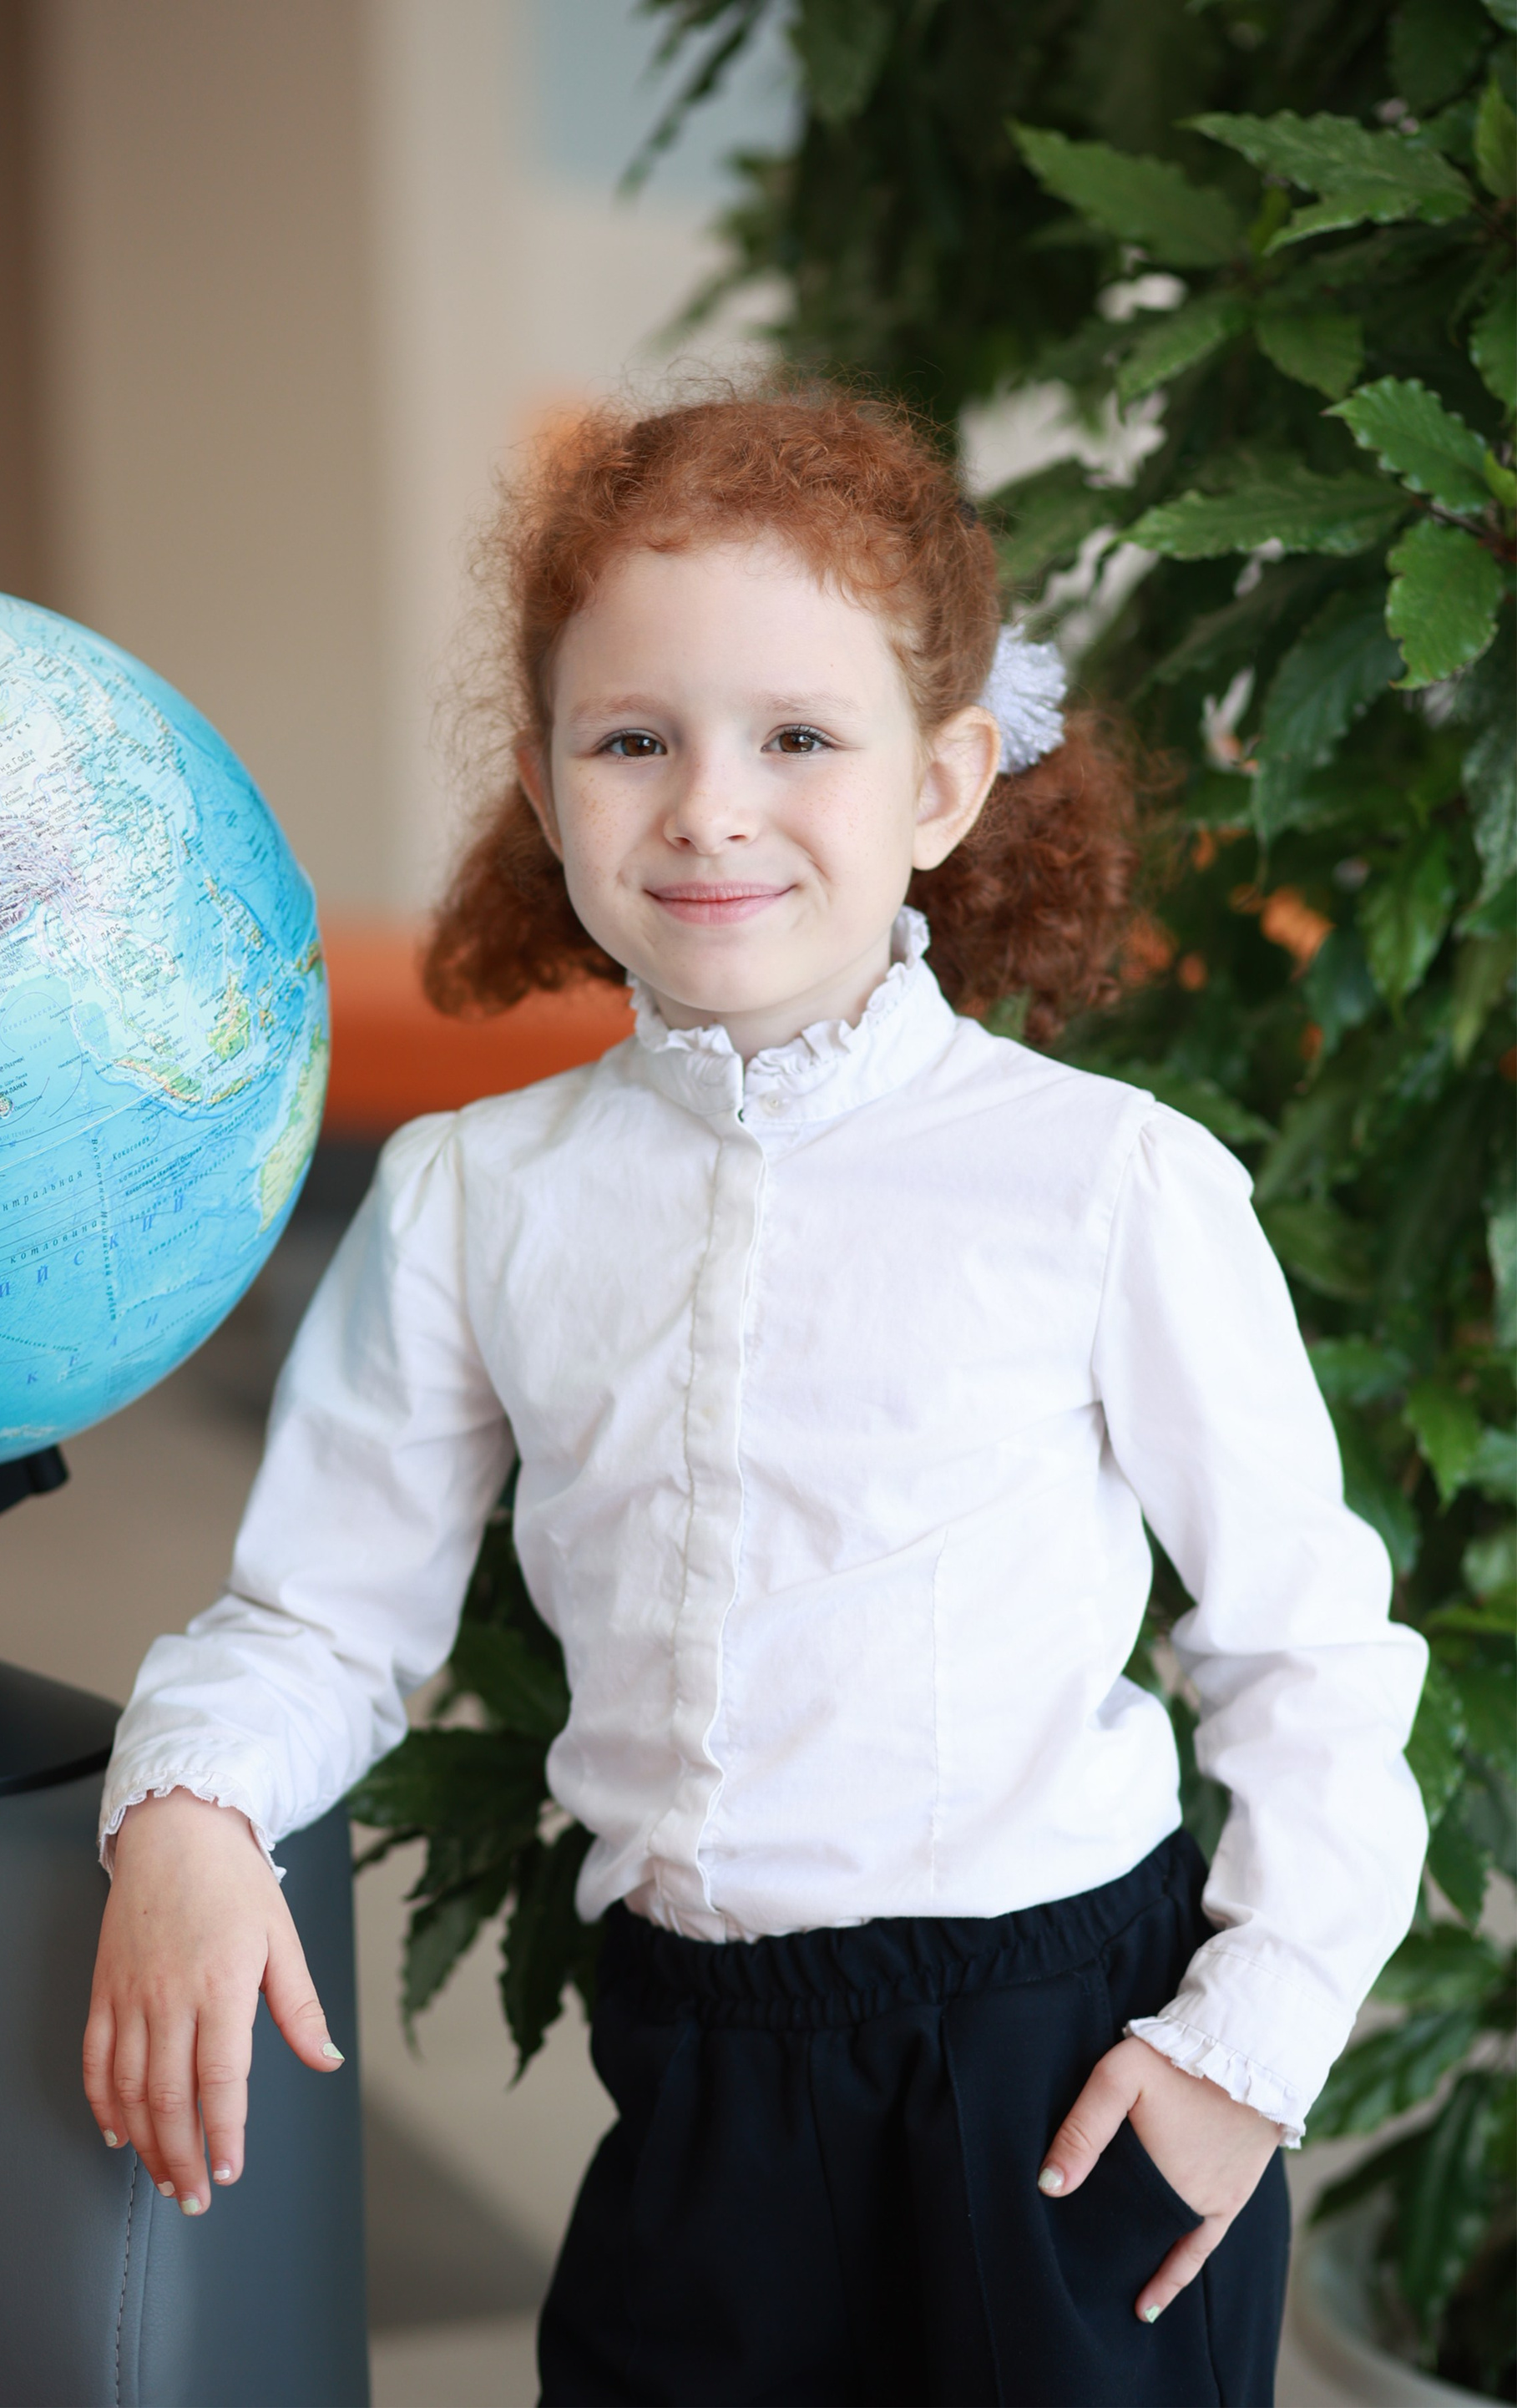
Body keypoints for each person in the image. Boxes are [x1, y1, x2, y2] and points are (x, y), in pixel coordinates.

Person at [83, 384, 1428, 2407]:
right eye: (634, 739)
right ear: (545, 783)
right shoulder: (472, 1196)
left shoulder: (1107, 1181)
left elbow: (1306, 1648)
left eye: (799, 737)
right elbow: (319, 1614)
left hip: (1061, 2077)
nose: (710, 807)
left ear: (944, 781)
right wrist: (190, 1803)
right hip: (701, 2072)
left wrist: (1249, 2043)